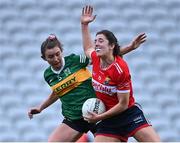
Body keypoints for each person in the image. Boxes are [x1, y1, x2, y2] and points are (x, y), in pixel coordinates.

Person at [27, 28, 146, 141]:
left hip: (96, 112)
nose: (56, 59)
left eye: (57, 54)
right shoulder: (48, 75)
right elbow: (57, 93)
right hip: (73, 117)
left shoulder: (75, 60)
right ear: (44, 58)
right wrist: (41, 107)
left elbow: (102, 56)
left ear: (61, 51)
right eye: (51, 57)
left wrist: (130, 47)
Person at [81, 5, 161, 142]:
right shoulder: (95, 58)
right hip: (109, 120)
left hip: (128, 115)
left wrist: (98, 117)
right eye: (96, 41)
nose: (96, 44)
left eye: (101, 41)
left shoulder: (120, 69)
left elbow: (123, 104)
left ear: (112, 45)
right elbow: (88, 48)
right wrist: (84, 24)